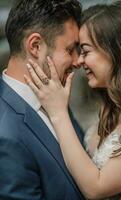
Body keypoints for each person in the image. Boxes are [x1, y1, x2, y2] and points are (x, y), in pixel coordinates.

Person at [25, 1, 121, 199]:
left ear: (117, 51)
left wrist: (58, 112)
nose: (79, 61)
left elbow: (96, 188)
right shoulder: (111, 108)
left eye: (85, 50)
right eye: (74, 50)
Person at [0, 0, 86, 199]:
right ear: (36, 46)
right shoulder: (5, 133)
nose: (77, 61)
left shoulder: (52, 95)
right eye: (70, 49)